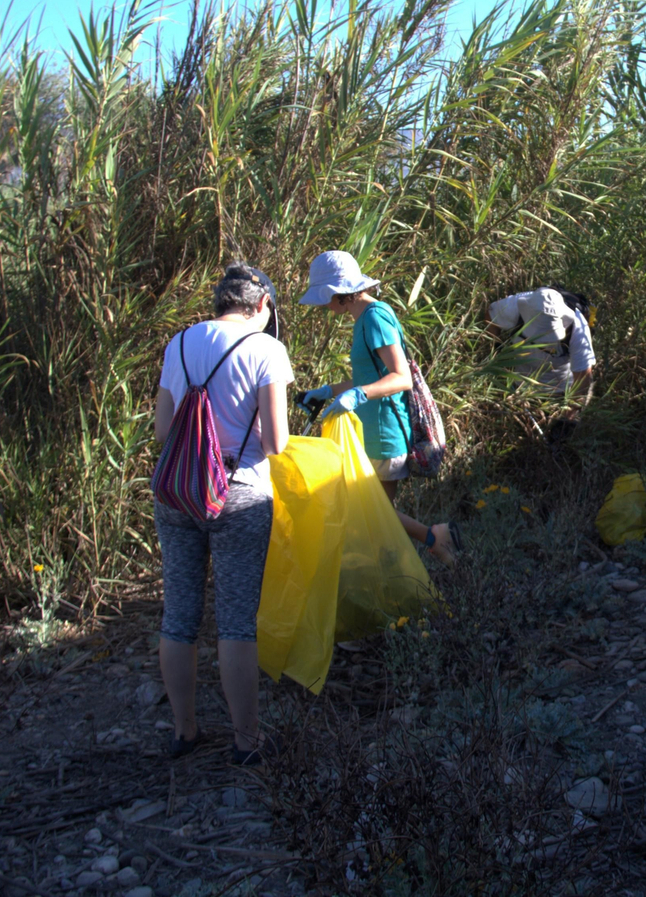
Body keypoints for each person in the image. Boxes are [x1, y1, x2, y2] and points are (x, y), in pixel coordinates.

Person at [154, 263, 290, 765]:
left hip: (178, 492)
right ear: (260, 306)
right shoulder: (266, 349)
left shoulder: (180, 343)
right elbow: (276, 442)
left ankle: (184, 731)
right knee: (235, 622)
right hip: (240, 494)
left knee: (179, 614)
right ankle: (246, 741)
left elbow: (162, 431)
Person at [296, 250, 458, 564]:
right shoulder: (362, 320)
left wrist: (356, 397)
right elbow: (368, 378)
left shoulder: (375, 317)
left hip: (385, 434)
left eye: (325, 297)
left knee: (374, 512)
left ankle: (432, 540)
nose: (324, 306)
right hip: (371, 431)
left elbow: (401, 378)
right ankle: (414, 552)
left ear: (339, 293)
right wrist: (327, 391)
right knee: (372, 513)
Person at [486, 287, 597, 440]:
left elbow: (583, 382)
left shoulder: (578, 328)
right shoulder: (513, 306)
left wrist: (566, 421)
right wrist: (494, 352)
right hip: (520, 383)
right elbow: (491, 316)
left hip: (560, 389)